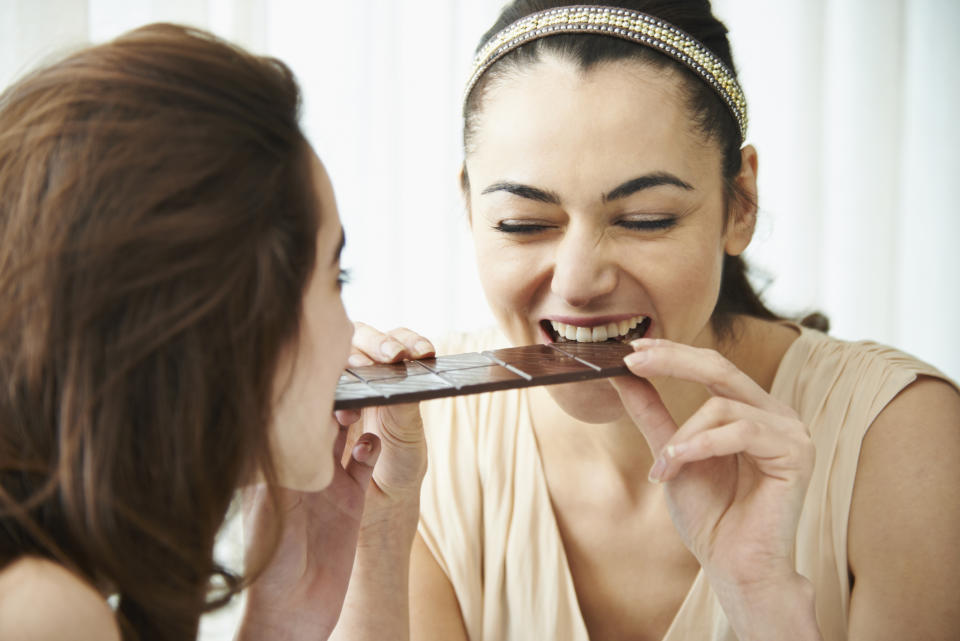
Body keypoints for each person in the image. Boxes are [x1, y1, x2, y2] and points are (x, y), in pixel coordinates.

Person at [352, 2, 960, 640]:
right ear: (470, 207)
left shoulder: (901, 439)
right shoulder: (415, 441)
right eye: (523, 225)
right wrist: (371, 538)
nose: (578, 282)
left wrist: (765, 603)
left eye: (646, 219)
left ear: (740, 203)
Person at [0, 24, 429, 641]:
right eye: (337, 276)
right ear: (227, 314)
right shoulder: (41, 614)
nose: (352, 335)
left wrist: (282, 624)